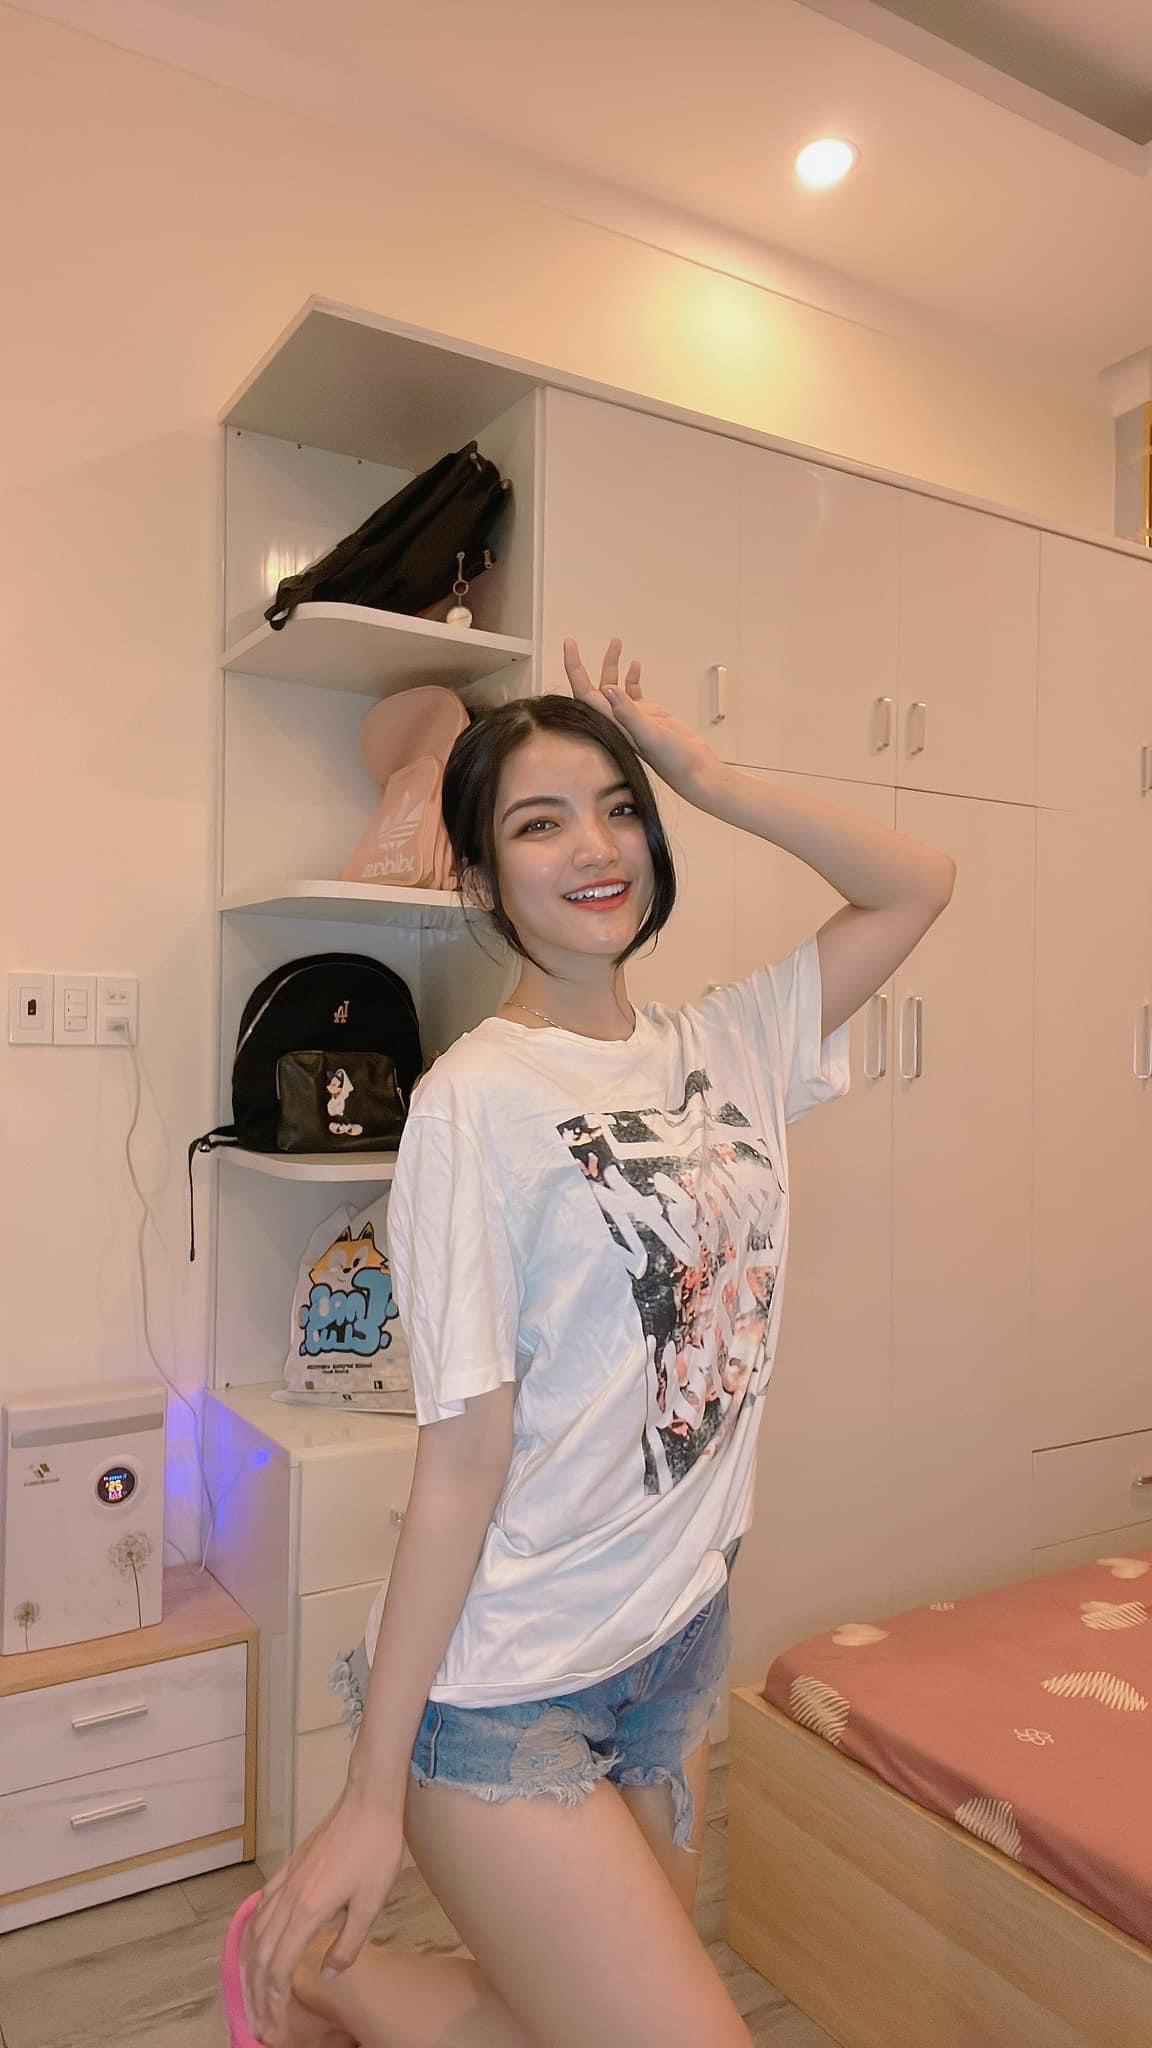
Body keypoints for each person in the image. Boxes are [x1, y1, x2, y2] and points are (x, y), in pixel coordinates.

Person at [230, 638, 956, 2048]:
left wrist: (708, 773)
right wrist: (369, 1797)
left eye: (618, 808)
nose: (595, 847)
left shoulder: (732, 1042)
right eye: (539, 822)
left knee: (560, 2022)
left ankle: (314, 1976)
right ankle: (318, 1964)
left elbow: (916, 882)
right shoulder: (473, 1103)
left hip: (671, 1643)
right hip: (506, 1682)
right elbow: (462, 1460)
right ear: (480, 874)